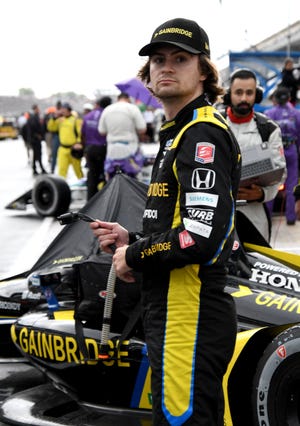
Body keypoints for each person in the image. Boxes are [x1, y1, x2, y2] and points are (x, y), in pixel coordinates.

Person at [90, 17, 242, 425]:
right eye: (158, 59)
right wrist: (132, 237)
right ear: (148, 74)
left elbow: (199, 236)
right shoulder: (178, 131)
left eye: (180, 58)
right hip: (174, 309)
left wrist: (133, 256)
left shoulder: (200, 134)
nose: (167, 67)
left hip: (189, 313)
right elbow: (183, 224)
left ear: (205, 72)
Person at [222, 68, 286, 244]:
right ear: (229, 95)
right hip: (219, 213)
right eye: (239, 92)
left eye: (249, 93)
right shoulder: (214, 126)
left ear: (256, 96)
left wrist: (260, 194)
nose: (244, 99)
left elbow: (280, 173)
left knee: (256, 265)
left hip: (255, 215)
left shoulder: (269, 129)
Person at [265, 87, 300, 225]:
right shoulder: (296, 114)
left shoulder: (269, 114)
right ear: (289, 98)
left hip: (275, 152)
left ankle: (267, 218)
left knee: (271, 184)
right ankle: (290, 218)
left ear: (275, 99)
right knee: (291, 185)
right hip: (291, 150)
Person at [98, 92, 146, 179]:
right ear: (128, 99)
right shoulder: (132, 108)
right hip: (130, 147)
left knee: (112, 177)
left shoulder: (107, 109)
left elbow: (102, 131)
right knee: (131, 178)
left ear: (118, 99)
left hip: (112, 149)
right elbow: (142, 129)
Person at [81, 96, 112, 199]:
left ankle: (90, 202)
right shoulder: (107, 115)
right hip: (103, 149)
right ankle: (104, 200)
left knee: (92, 176)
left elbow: (83, 135)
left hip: (90, 149)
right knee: (105, 175)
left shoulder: (87, 116)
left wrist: (85, 149)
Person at [47, 102, 83, 180]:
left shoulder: (76, 120)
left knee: (78, 171)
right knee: (62, 171)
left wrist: (78, 143)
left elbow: (80, 133)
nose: (62, 111)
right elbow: (51, 128)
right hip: (63, 149)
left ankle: (83, 185)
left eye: (64, 109)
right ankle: (62, 187)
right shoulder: (60, 120)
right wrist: (54, 118)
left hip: (74, 149)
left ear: (69, 110)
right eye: (62, 109)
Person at [26, 104, 47, 175]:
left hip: (35, 139)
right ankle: (39, 168)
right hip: (35, 139)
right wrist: (37, 135)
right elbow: (33, 128)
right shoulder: (33, 118)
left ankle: (35, 168)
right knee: (37, 154)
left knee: (36, 155)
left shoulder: (34, 117)